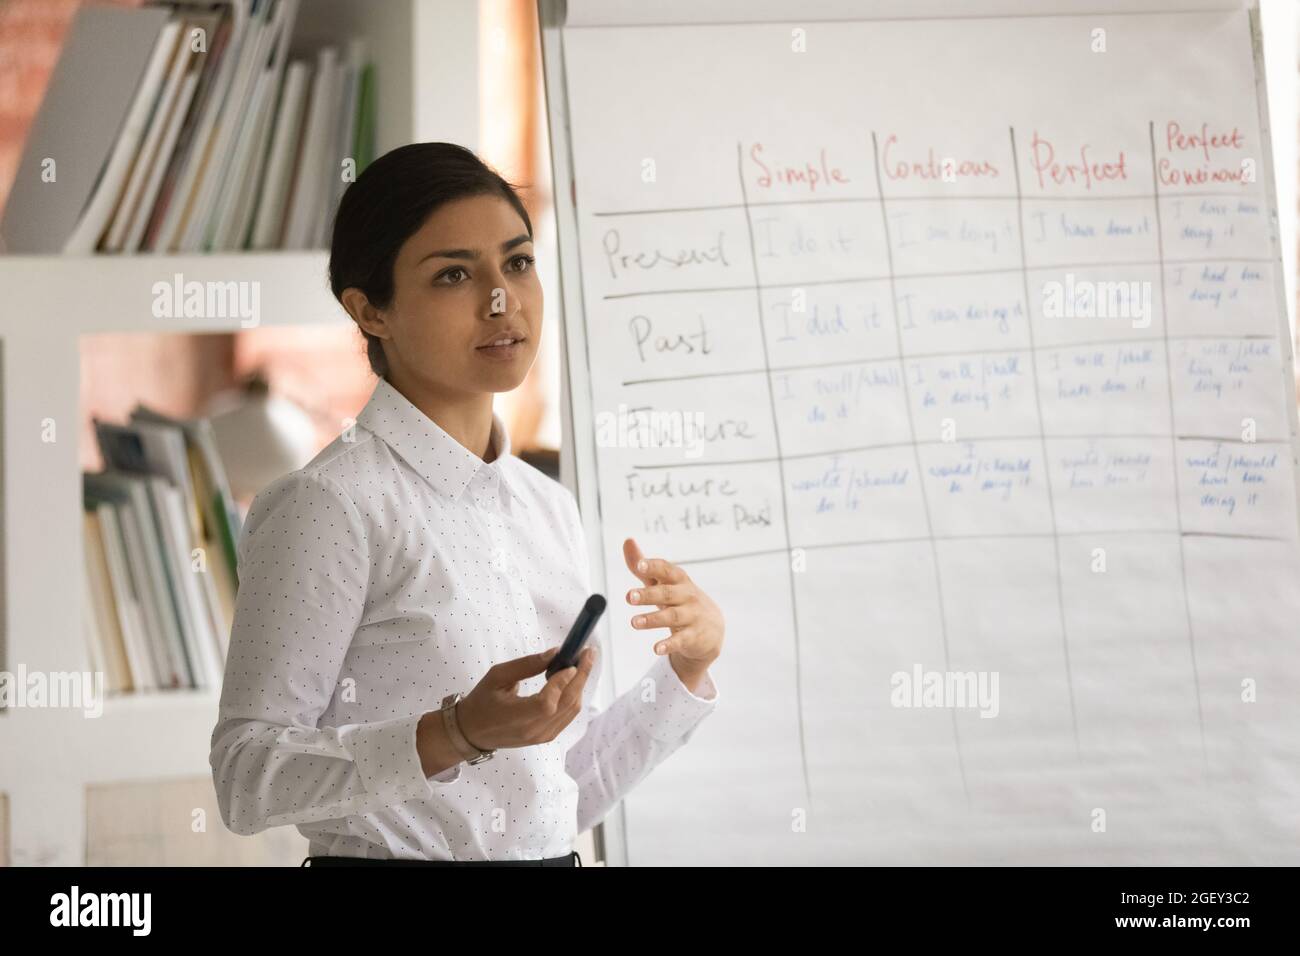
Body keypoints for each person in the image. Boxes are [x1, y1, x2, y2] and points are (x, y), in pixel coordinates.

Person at [209, 142, 726, 865]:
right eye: (454, 273)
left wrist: (686, 672)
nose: (500, 299)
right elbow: (246, 778)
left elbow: (558, 794)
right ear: (371, 310)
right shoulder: (329, 506)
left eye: (517, 262)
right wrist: (454, 733)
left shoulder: (547, 507)